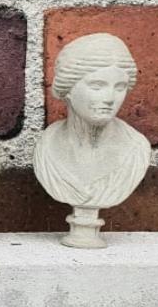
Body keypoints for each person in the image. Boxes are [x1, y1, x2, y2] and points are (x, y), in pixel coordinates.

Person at [33, 32, 149, 212]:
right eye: (97, 86)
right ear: (68, 88)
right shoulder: (47, 146)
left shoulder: (136, 148)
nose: (110, 98)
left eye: (120, 87)